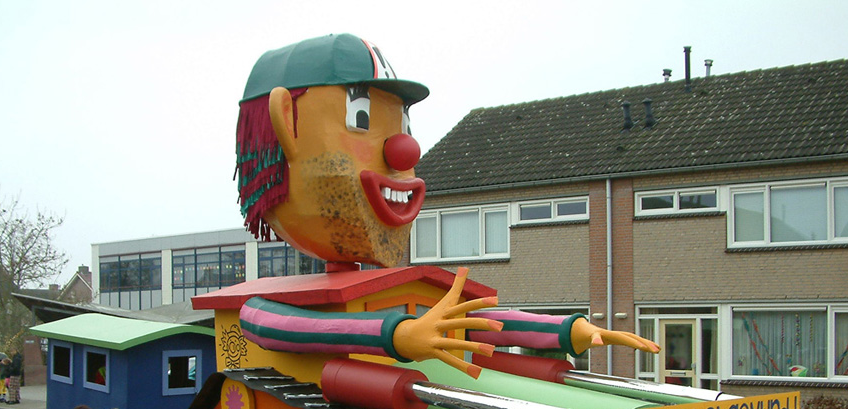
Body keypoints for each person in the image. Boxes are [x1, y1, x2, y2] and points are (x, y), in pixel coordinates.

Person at [233, 34, 658, 376]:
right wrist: (398, 336)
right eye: (361, 119)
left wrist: (571, 331)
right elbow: (272, 324)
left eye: (403, 124)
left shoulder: (410, 291)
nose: (404, 151)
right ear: (286, 123)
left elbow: (477, 324)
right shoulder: (263, 304)